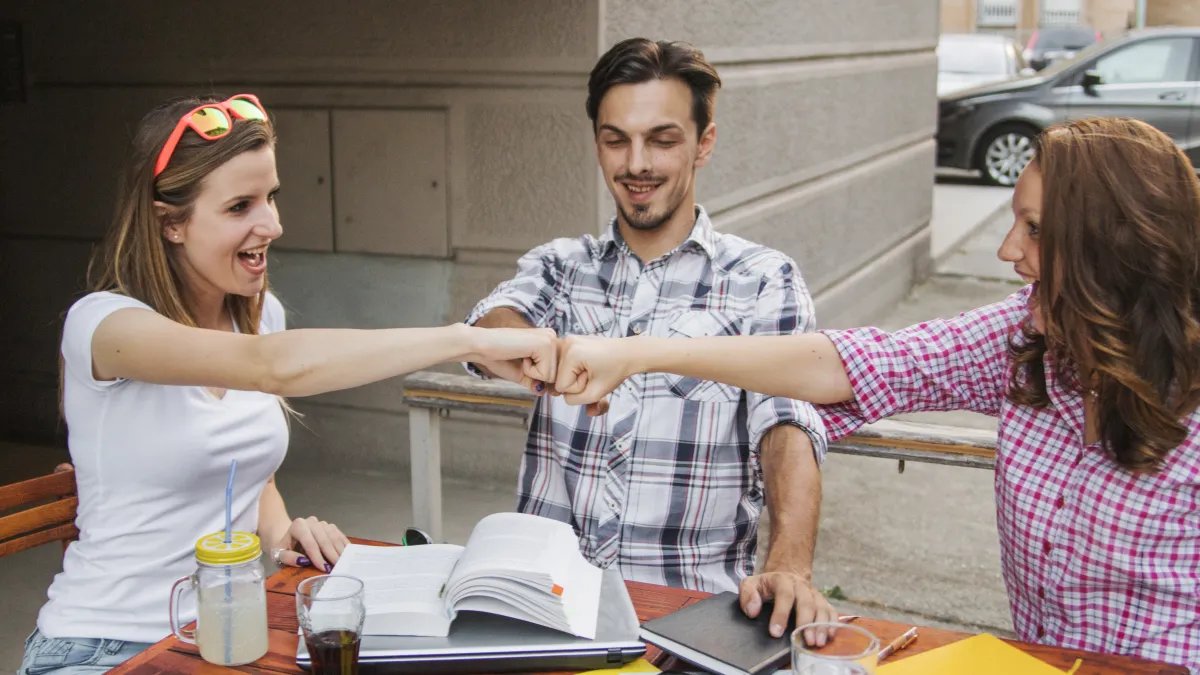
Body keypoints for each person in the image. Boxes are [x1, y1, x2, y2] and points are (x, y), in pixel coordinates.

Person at [554, 117, 1200, 672]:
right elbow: (855, 364)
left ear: (1113, 250)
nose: (1008, 250)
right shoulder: (1025, 338)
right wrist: (637, 353)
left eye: (1034, 229)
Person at [19, 94, 556, 675]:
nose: (272, 224)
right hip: (103, 648)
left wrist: (283, 536)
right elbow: (272, 365)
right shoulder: (103, 325)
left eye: (271, 196)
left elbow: (251, 480)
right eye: (240, 206)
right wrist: (467, 340)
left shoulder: (257, 314)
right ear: (169, 222)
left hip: (226, 638)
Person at [465, 38, 835, 637]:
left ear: (703, 143)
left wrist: (789, 563)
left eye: (662, 140)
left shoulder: (764, 280)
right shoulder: (561, 267)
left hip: (693, 617)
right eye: (616, 140)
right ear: (597, 144)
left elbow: (787, 422)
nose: (636, 163)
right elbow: (489, 323)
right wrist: (536, 348)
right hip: (545, 610)